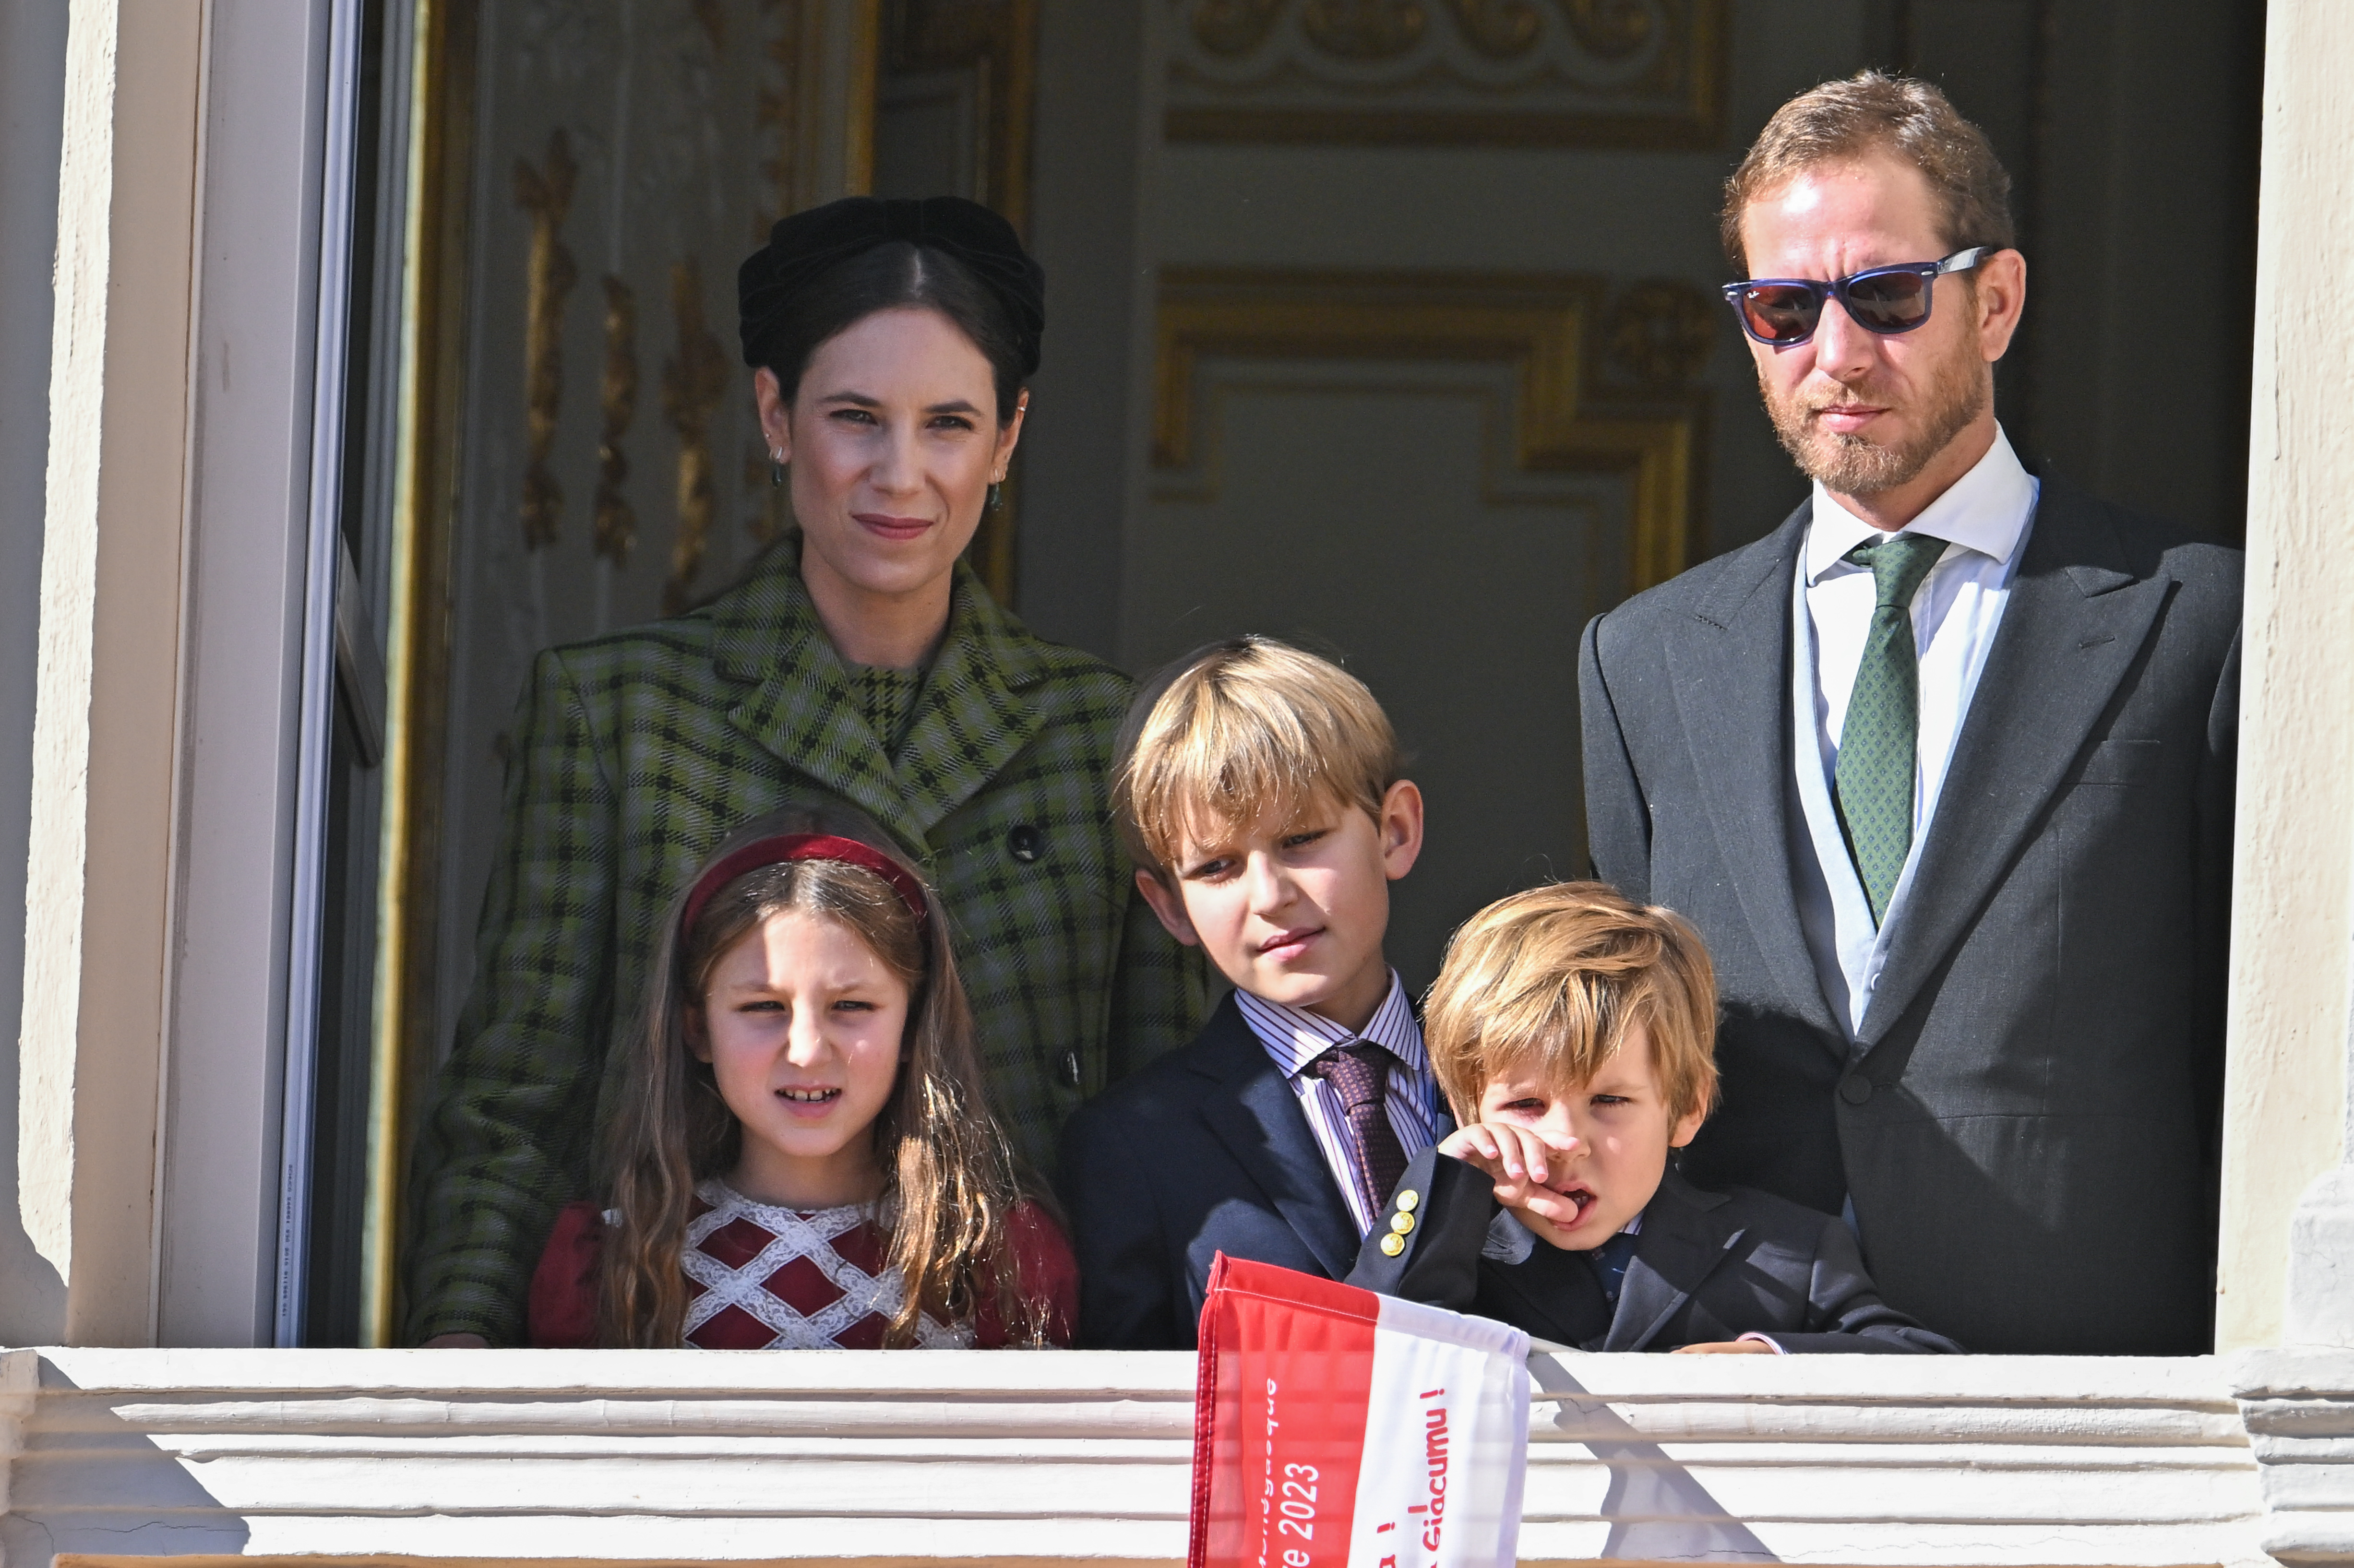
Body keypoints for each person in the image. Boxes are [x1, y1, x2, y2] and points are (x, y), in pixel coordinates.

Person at [406, 196, 1203, 1346]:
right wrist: (462, 1347)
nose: (900, 472)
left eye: (946, 423)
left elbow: (1157, 1107)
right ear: (774, 414)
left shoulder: (1103, 732)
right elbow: (517, 1095)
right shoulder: (618, 711)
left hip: (1014, 1385)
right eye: (853, 417)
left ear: (1008, 437)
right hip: (675, 1358)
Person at [1578, 73, 2240, 1354]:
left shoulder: (2198, 619)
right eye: (1783, 309)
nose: (1835, 355)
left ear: (1994, 301)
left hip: (2096, 1400)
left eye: (1884, 296)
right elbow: (1638, 1047)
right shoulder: (1643, 658)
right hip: (1749, 1402)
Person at [526, 807, 1075, 1349]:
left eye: (852, 1005)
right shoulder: (612, 1262)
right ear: (697, 1029)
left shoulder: (995, 1264)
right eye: (764, 1006)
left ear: (913, 1026)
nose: (809, 1052)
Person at [1347, 883, 1958, 1354]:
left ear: (1686, 1109)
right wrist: (1449, 1185)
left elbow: (1923, 1364)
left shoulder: (1789, 1249)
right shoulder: (1452, 1245)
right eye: (1526, 1105)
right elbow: (1364, 1354)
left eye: (1609, 1102)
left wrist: (1770, 1359)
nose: (1565, 1140)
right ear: (1470, 1112)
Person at [1060, 637, 1448, 1348]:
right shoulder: (1132, 1147)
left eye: (1301, 840)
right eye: (1216, 868)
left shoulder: (1515, 1075)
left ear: (1394, 831)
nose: (1269, 896)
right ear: (1170, 906)